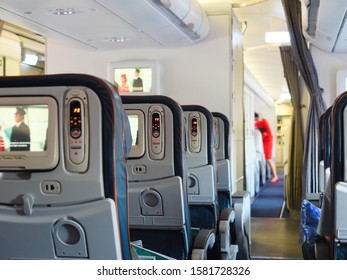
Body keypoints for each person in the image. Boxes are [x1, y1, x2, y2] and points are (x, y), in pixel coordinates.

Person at [254, 112, 278, 183]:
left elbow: (267, 132)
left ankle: (275, 176)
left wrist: (263, 134)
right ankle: (273, 175)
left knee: (268, 158)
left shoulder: (263, 121)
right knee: (266, 158)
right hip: (264, 141)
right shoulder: (257, 123)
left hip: (268, 140)